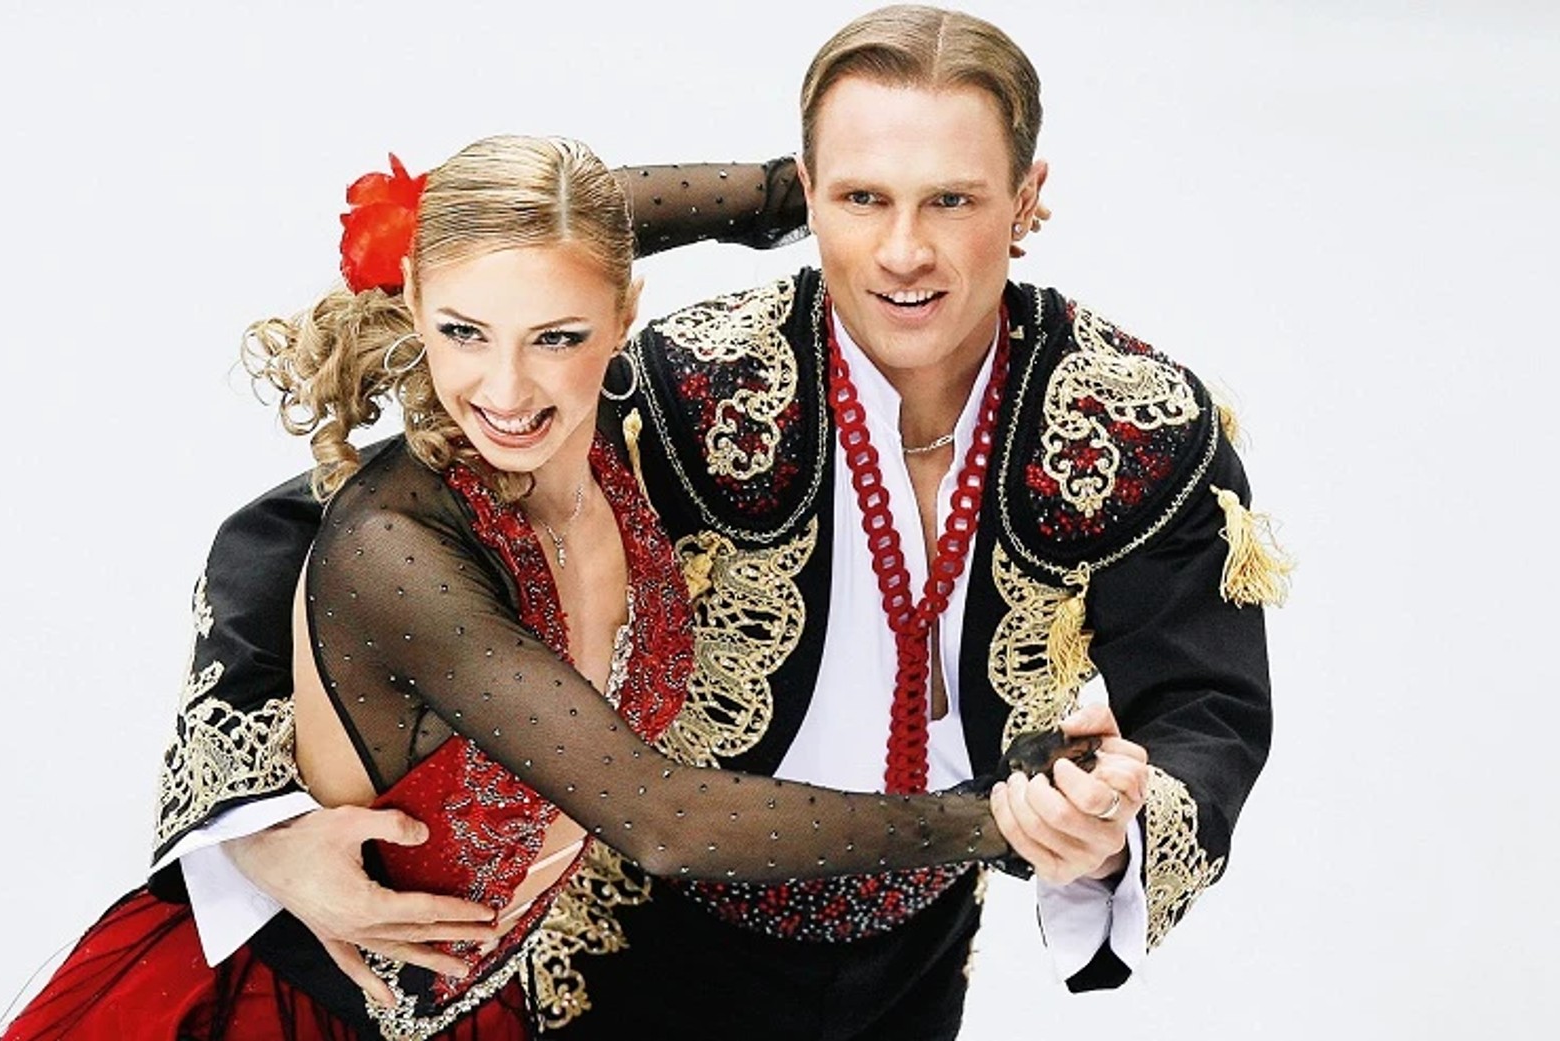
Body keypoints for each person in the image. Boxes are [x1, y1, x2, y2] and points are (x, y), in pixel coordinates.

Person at [146, 6, 1286, 1039]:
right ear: (812, 192)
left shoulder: (1135, 422)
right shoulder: (692, 381)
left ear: (1027, 199)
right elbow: (325, 527)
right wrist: (256, 828)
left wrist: (1105, 828)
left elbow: (1204, 704)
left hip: (922, 954)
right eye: (863, 199)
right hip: (641, 947)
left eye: (952, 198)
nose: (904, 252)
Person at [1, 133, 1069, 1041]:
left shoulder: (604, 437)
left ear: (623, 316)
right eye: (463, 332)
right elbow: (661, 818)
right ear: (415, 300)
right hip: (284, 1011)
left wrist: (830, 197)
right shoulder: (401, 546)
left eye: (557, 338)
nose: (505, 390)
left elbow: (567, 225)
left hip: (497, 1008)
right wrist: (999, 819)